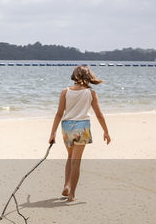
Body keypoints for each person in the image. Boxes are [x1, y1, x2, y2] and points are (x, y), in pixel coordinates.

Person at [48, 65, 111, 201]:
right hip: (82, 126)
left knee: (70, 157)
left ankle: (66, 185)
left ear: (74, 76)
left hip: (67, 126)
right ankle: (72, 194)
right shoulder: (91, 93)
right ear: (88, 76)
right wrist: (106, 131)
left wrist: (52, 133)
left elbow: (59, 113)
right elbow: (99, 114)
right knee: (76, 161)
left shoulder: (65, 92)